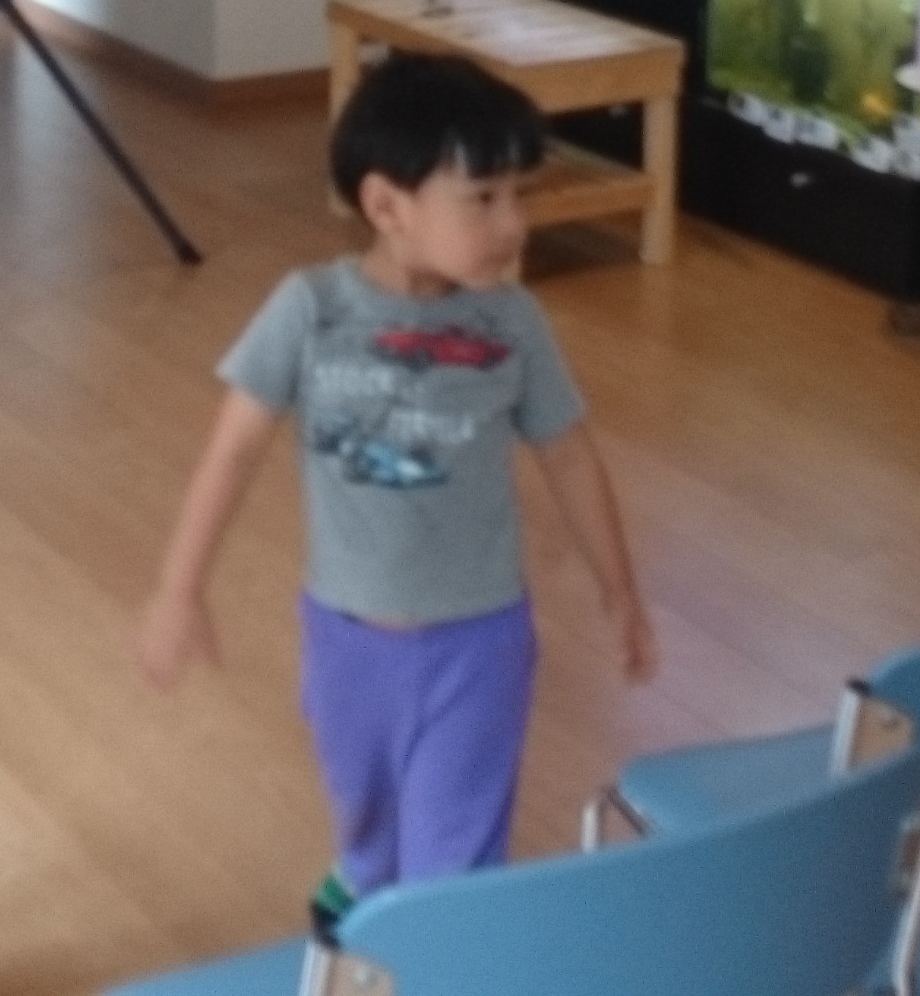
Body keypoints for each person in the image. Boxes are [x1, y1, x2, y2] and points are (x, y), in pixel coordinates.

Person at [134, 53, 657, 930]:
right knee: (370, 824)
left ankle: (429, 949)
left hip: (481, 642)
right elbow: (233, 451)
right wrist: (178, 589)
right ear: (387, 206)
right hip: (346, 642)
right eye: (483, 198)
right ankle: (367, 877)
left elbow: (569, 455)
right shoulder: (311, 309)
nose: (514, 223)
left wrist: (620, 587)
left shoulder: (512, 324)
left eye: (520, 195)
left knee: (450, 873)